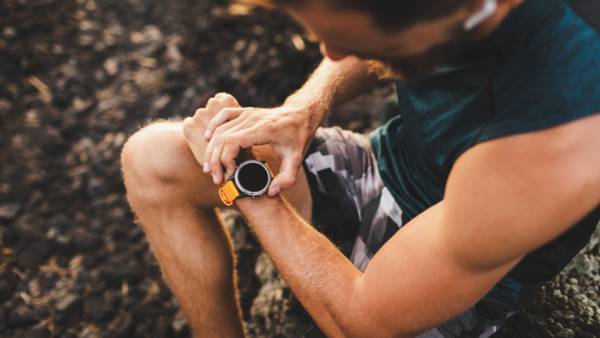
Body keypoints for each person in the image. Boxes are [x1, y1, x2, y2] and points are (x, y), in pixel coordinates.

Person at [120, 0, 600, 336]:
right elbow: (372, 30)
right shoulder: (434, 14)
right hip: (383, 169)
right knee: (152, 159)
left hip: (447, 285)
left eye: (341, 37)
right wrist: (304, 106)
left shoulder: (562, 133)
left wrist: (242, 182)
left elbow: (363, 320)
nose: (329, 52)